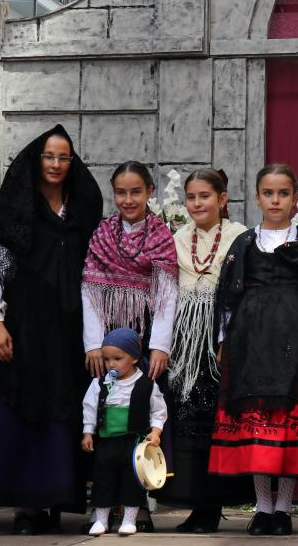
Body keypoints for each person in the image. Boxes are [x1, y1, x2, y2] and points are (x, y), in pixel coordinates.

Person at [0, 125, 103, 535]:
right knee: (24, 411)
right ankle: (27, 507)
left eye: (64, 157)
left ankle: (56, 497)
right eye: (49, 156)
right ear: (36, 160)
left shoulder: (81, 211)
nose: (57, 164)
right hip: (23, 330)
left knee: (63, 413)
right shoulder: (17, 207)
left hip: (67, 330)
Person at [208, 164, 298, 537]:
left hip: (291, 338)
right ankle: (263, 508)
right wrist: (224, 339)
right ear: (257, 197)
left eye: (283, 193)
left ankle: (284, 509)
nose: (275, 200)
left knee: (286, 426)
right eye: (268, 193)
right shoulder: (243, 243)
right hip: (249, 339)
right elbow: (227, 296)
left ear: (294, 198)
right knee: (258, 428)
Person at [81, 161, 178, 531]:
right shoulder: (102, 233)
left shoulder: (160, 236)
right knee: (106, 422)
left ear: (150, 191)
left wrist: (159, 346)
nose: (127, 199)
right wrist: (93, 344)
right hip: (108, 340)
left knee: (142, 423)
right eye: (120, 192)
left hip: (144, 336)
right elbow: (89, 288)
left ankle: (142, 505)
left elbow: (167, 295)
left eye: (135, 191)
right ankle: (102, 505)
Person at [156, 169, 250, 533]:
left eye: (205, 196)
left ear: (222, 199)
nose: (197, 203)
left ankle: (213, 505)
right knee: (187, 423)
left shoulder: (239, 237)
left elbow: (241, 293)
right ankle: (194, 504)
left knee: (217, 423)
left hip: (219, 339)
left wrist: (227, 339)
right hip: (184, 343)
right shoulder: (177, 238)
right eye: (191, 197)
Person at [81, 328, 167, 536]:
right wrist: (88, 433)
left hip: (133, 442)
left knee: (132, 481)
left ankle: (130, 520)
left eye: (118, 358)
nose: (111, 364)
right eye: (107, 359)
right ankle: (101, 519)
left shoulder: (146, 384)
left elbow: (159, 410)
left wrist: (155, 432)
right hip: (107, 442)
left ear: (135, 358)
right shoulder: (99, 383)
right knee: (103, 480)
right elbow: (90, 407)